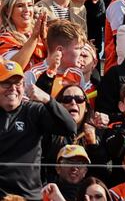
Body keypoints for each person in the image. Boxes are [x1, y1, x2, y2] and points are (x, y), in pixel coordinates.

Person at [0, 61, 76, 200]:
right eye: (6, 83)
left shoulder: (34, 110)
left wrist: (48, 99)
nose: (13, 88)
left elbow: (70, 127)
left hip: (28, 196)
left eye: (18, 84)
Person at [0, 0, 43, 69]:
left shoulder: (44, 31)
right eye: (20, 6)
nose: (27, 10)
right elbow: (13, 68)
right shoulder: (5, 39)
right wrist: (34, 38)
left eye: (30, 5)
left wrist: (45, 39)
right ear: (8, 10)